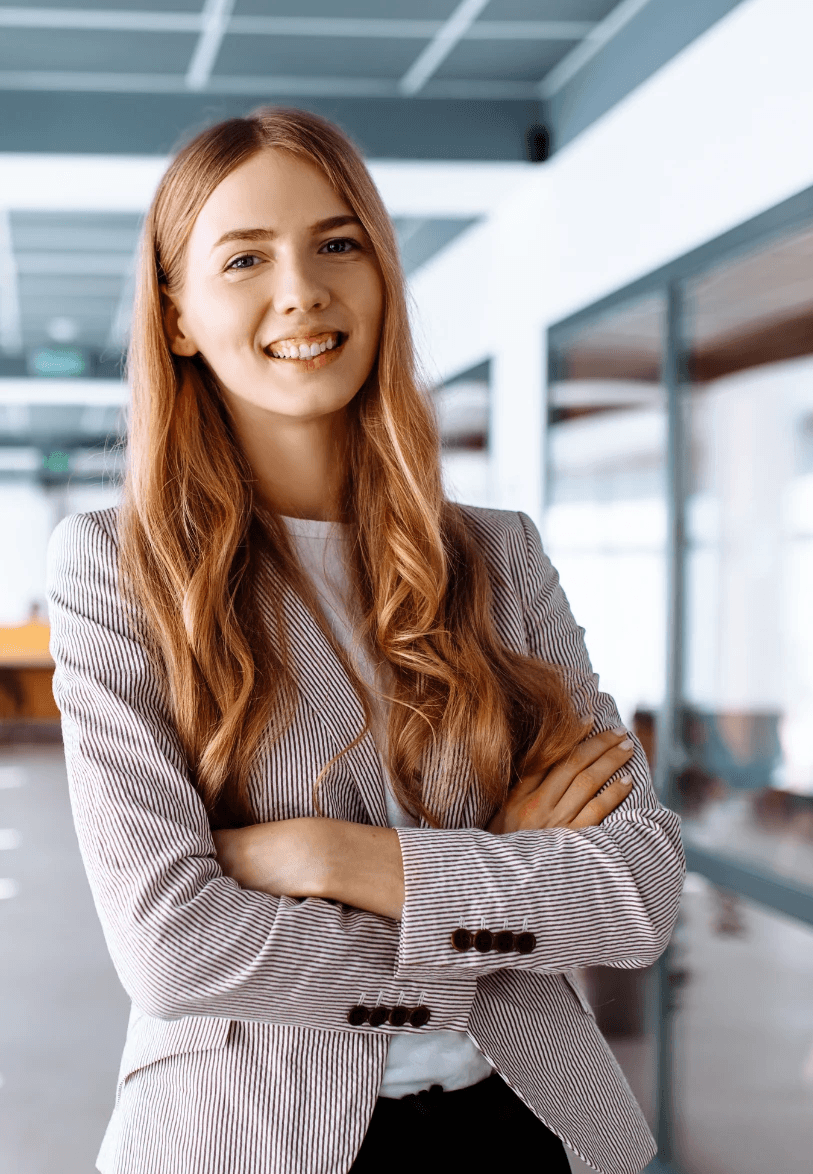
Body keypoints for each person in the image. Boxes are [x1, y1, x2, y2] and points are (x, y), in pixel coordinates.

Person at [46, 108, 685, 1174]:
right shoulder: (116, 567)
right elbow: (174, 948)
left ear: (383, 276)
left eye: (337, 244)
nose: (301, 290)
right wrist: (497, 878)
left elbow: (636, 892)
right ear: (178, 316)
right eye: (245, 258)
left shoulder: (500, 556)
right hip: (247, 1135)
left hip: (517, 1118)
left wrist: (331, 857)